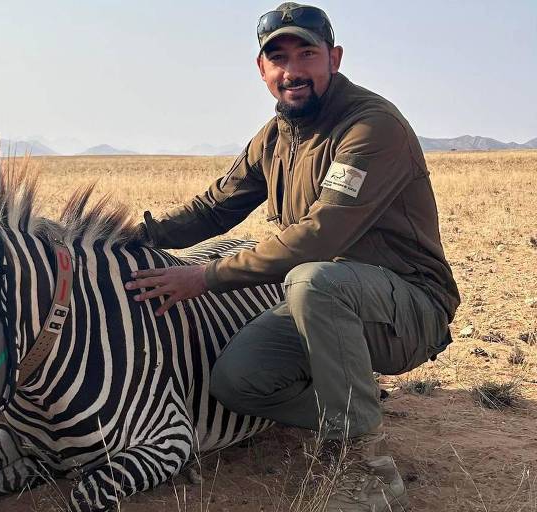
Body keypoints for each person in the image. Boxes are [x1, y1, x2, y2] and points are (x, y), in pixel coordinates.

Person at [125, 3, 459, 510]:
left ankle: (361, 463)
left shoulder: (371, 127)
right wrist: (137, 235)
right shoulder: (275, 136)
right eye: (277, 58)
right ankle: (353, 407)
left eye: (307, 53)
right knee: (239, 382)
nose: (292, 70)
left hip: (408, 307)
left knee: (312, 280)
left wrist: (205, 276)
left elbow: (318, 238)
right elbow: (216, 207)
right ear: (262, 70)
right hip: (325, 303)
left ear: (334, 58)